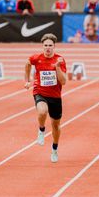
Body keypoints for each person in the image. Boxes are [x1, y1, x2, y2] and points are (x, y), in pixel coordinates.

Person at [24, 33, 67, 163]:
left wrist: (58, 67)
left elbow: (63, 81)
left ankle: (54, 149)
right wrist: (27, 80)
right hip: (40, 91)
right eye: (45, 46)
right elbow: (27, 63)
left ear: (54, 47)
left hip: (55, 96)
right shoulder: (36, 58)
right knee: (42, 111)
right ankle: (41, 130)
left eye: (50, 46)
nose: (48, 48)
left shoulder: (60, 59)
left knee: (56, 126)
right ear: (42, 46)